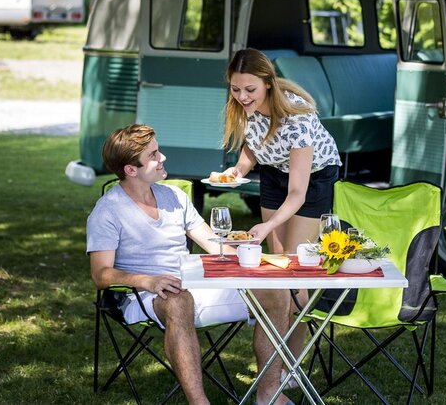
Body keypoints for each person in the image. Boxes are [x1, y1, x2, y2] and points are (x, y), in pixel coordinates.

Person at [87, 124, 290, 405]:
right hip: (141, 295)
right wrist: (149, 281)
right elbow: (101, 275)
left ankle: (269, 394)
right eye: (153, 155)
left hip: (193, 286)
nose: (163, 158)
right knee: (178, 300)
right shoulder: (108, 211)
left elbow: (213, 244)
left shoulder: (174, 197)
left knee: (276, 292)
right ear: (131, 170)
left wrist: (255, 260)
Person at [220, 48, 342, 389]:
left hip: (312, 179)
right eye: (235, 89)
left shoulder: (297, 116)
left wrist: (268, 226)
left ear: (268, 83)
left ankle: (293, 365)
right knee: (276, 270)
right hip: (274, 172)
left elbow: (298, 194)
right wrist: (238, 169)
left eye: (250, 89)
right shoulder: (244, 107)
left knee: (295, 275)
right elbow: (254, 145)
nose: (242, 96)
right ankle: (275, 362)